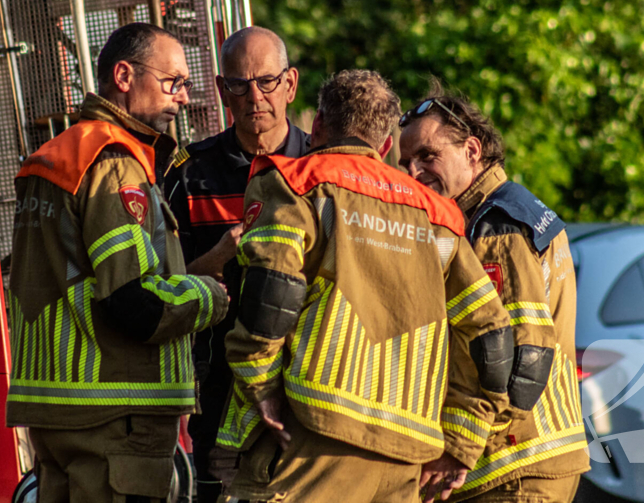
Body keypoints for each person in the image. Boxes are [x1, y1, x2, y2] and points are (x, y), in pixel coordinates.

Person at [219, 70, 515, 503]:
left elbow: (271, 296)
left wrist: (259, 389)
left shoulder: (296, 184)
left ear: (318, 126)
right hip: (407, 453)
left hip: (315, 435)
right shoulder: (439, 217)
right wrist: (460, 443)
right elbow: (492, 337)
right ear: (386, 145)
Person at [6, 23, 229, 503]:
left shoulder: (54, 157)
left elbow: (76, 282)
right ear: (124, 76)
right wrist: (210, 297)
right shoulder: (114, 163)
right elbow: (131, 302)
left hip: (58, 416)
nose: (184, 98)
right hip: (115, 417)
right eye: (174, 82)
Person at [398, 85, 589, 503]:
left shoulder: (493, 228)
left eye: (428, 156)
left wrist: (461, 449)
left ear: (471, 150)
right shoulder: (512, 209)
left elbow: (522, 354)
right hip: (530, 462)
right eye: (405, 162)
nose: (413, 173)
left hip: (514, 468)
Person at [162, 26, 310, 502]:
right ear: (223, 90)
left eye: (266, 82)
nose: (254, 96)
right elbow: (164, 283)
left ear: (290, 84)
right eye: (238, 84)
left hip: (304, 381)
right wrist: (219, 257)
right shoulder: (191, 173)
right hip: (219, 384)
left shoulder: (320, 166)